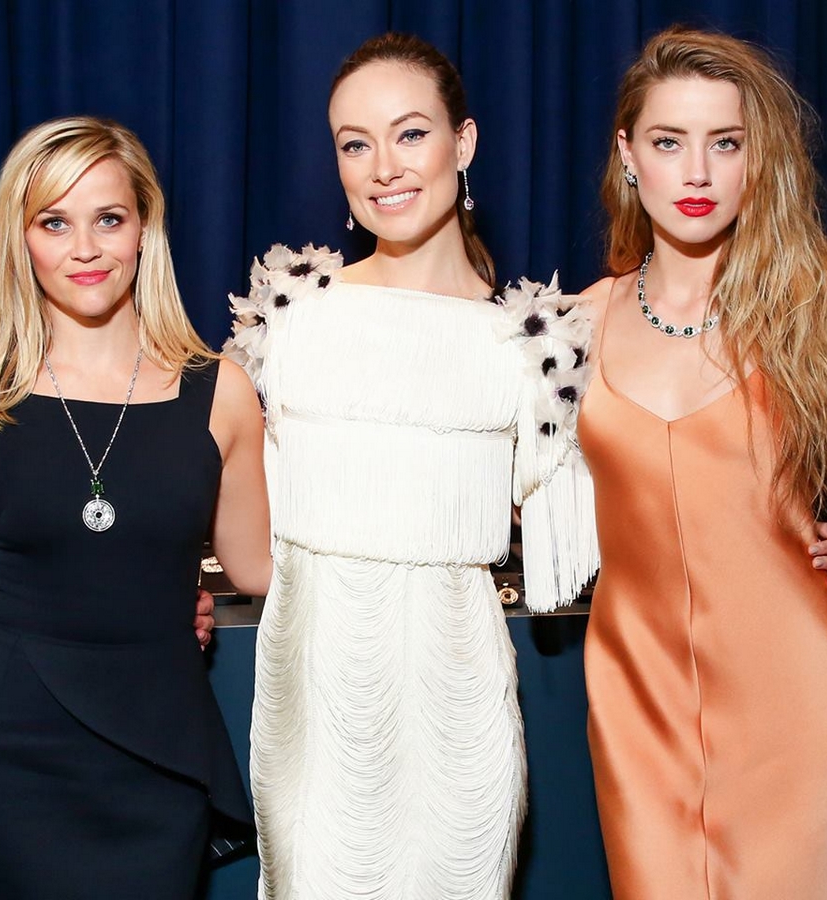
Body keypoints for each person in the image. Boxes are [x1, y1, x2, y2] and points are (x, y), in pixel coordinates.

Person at [224, 32, 597, 900]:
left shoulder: (533, 343)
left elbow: (629, 505)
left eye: (411, 133)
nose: (384, 167)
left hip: (457, 722)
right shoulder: (291, 314)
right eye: (355, 144)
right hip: (314, 714)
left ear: (463, 143)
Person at [0, 116, 271, 899]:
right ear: (21, 239)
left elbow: (260, 570)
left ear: (144, 229)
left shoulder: (221, 391)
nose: (85, 248)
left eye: (109, 218)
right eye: (54, 223)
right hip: (10, 744)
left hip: (159, 742)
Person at [578, 26, 827, 899]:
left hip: (797, 698)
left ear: (756, 160)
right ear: (629, 155)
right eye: (669, 142)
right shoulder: (574, 323)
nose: (696, 173)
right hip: (636, 698)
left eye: (724, 144)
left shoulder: (816, 307)